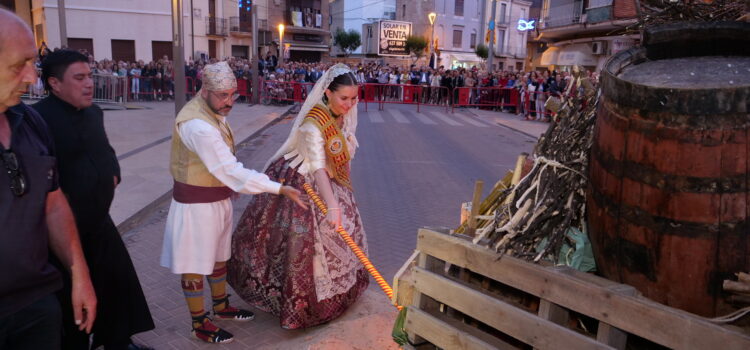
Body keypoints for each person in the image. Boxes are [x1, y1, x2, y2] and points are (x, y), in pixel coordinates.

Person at [160, 61, 307, 344]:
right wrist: (278, 188)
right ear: (205, 91)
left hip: (216, 200)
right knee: (195, 262)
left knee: (218, 256)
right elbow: (229, 169)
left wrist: (230, 185)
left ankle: (220, 306)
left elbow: (225, 169)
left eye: (233, 94)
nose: (229, 102)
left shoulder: (212, 112)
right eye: (223, 96)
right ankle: (199, 323)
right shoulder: (197, 125)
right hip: (195, 207)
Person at [228, 64, 369, 330]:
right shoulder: (312, 125)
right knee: (302, 247)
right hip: (302, 184)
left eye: (354, 98)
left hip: (331, 183)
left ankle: (337, 296)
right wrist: (332, 205)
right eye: (344, 98)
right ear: (327, 93)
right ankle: (303, 306)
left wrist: (340, 197)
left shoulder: (342, 117)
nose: (350, 104)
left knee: (339, 242)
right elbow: (316, 167)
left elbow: (338, 160)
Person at [33, 49, 155, 350]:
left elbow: (106, 151)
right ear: (54, 83)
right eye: (79, 78)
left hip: (99, 222)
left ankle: (118, 342)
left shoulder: (94, 112)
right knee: (71, 299)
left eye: (89, 76)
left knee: (116, 285)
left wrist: (112, 172)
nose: (89, 83)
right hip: (63, 233)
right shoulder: (38, 120)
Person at [0, 9, 97, 349]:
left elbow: (53, 202)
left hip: (36, 304)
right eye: (18, 66)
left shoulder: (31, 122)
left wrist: (79, 275)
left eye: (33, 64)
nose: (31, 78)